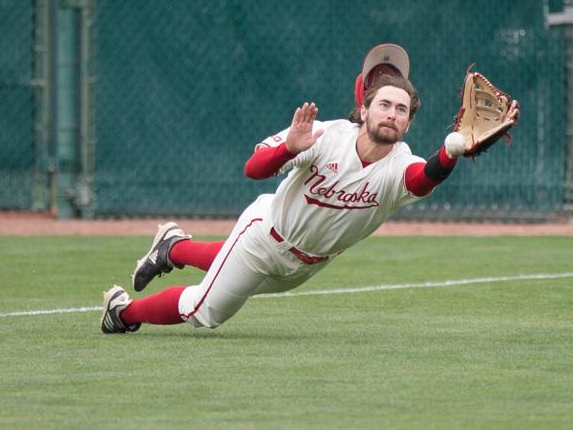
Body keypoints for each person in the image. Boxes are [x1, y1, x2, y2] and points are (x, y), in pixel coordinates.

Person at [100, 43, 520, 334]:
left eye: (401, 109)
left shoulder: (400, 165)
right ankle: (122, 314)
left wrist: (451, 151)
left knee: (228, 271)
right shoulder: (324, 136)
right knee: (205, 310)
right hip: (265, 234)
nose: (392, 113)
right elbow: (253, 169)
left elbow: (422, 178)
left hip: (305, 266)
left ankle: (172, 248)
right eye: (384, 103)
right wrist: (287, 148)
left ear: (409, 121)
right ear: (363, 106)